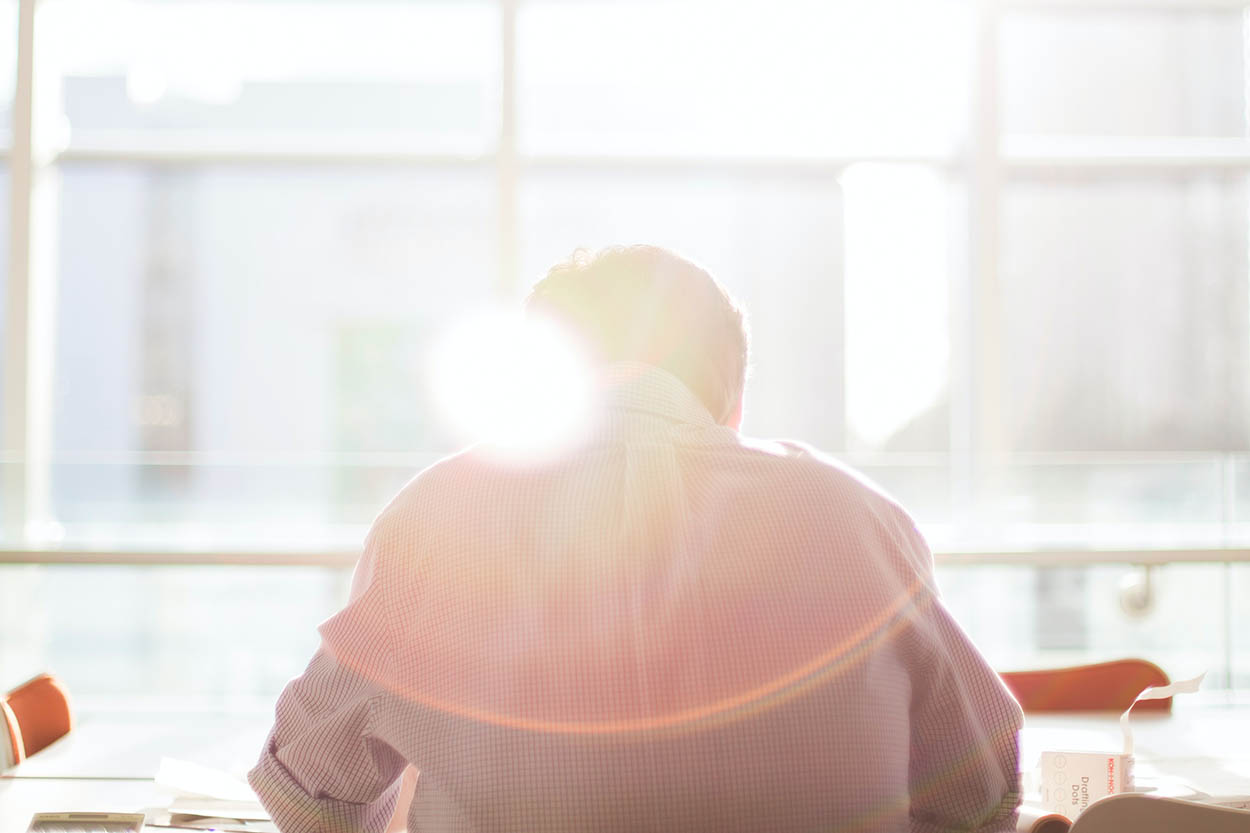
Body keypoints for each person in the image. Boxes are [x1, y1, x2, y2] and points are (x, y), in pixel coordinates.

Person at [249, 245, 1023, 833]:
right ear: (733, 395)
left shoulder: (438, 515)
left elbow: (309, 793)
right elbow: (980, 791)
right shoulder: (859, 519)